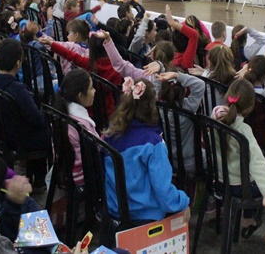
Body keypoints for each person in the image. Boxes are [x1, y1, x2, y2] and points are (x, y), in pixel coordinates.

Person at [213, 78, 265, 250]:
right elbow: (257, 162)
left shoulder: (215, 117)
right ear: (250, 107)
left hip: (219, 180)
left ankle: (248, 220)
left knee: (250, 176)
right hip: (238, 186)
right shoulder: (244, 131)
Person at [103, 79, 190, 223]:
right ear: (152, 106)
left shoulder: (109, 136)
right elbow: (164, 191)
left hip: (115, 209)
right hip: (145, 214)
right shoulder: (154, 143)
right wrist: (183, 201)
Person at [0, 39, 51, 192]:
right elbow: (36, 118)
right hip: (20, 136)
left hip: (3, 130)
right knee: (45, 131)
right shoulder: (17, 90)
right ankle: (39, 182)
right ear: (18, 63)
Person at [54, 68, 97, 186]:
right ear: (80, 96)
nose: (94, 91)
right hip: (84, 176)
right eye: (91, 88)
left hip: (66, 173)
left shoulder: (62, 113)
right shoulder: (82, 124)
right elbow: (96, 151)